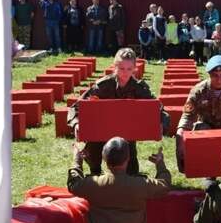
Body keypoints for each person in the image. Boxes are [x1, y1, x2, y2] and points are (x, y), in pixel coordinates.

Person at [68, 48, 164, 176]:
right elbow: (76, 107)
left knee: (131, 173)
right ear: (115, 66)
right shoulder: (103, 85)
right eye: (121, 68)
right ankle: (95, 171)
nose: (125, 73)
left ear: (135, 68)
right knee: (93, 152)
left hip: (127, 134)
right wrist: (76, 124)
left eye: (129, 69)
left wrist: (162, 123)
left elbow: (158, 108)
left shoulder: (139, 88)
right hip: (101, 129)